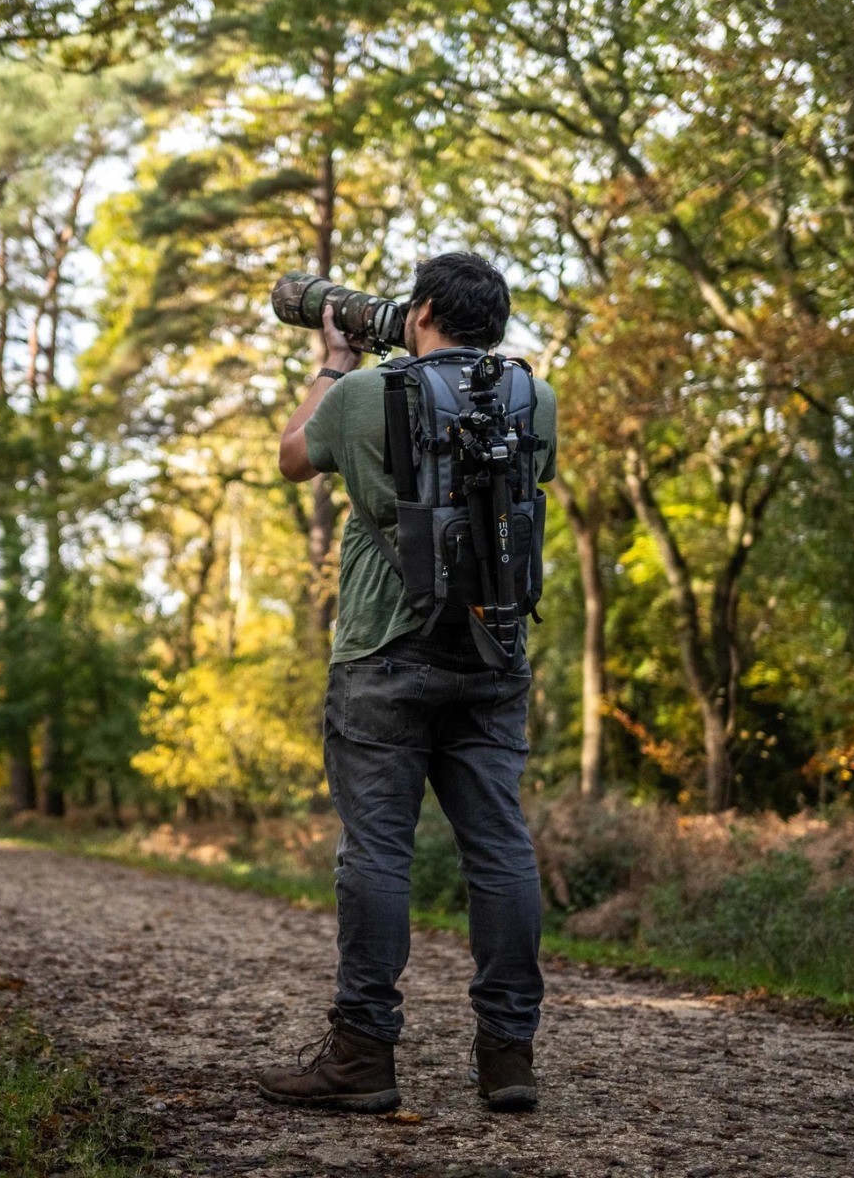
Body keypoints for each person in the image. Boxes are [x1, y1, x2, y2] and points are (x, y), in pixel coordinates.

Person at [260, 252, 557, 1114]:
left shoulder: (361, 396)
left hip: (383, 650)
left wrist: (334, 364)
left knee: (379, 851)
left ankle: (362, 1056)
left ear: (420, 309)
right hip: (493, 649)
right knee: (499, 849)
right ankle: (508, 1057)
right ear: (493, 323)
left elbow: (288, 458)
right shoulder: (533, 397)